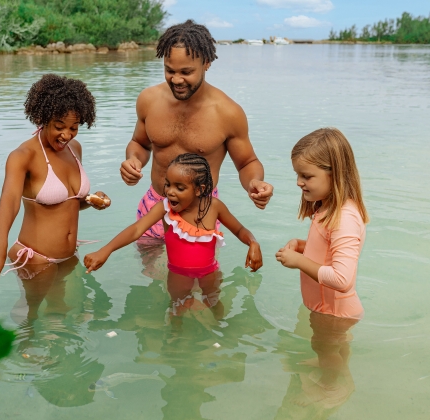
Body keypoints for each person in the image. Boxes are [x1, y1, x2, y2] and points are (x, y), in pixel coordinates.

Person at [119, 20, 273, 240]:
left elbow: (247, 162)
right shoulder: (148, 100)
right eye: (169, 70)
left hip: (201, 211)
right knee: (150, 271)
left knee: (199, 272)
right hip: (155, 204)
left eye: (186, 72)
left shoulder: (228, 112)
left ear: (207, 63)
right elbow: (140, 143)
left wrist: (254, 183)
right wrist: (133, 160)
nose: (177, 79)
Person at [0, 74, 110, 291]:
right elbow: (10, 200)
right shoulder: (23, 156)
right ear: (42, 118)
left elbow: (70, 203)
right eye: (59, 126)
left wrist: (91, 201)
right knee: (33, 321)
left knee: (71, 318)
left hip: (69, 256)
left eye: (74, 127)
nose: (66, 135)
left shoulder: (75, 149)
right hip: (37, 259)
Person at [84, 153, 263, 278]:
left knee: (215, 312)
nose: (170, 192)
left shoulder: (214, 207)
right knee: (176, 314)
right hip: (177, 276)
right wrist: (105, 250)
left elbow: (239, 229)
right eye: (168, 184)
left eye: (180, 187)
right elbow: (136, 229)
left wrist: (253, 243)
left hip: (210, 274)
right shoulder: (165, 208)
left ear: (199, 190)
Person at [275, 128, 369, 319]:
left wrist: (299, 262)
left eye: (306, 176)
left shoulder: (344, 217)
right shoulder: (328, 208)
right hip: (328, 312)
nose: (298, 182)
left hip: (334, 316)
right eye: (297, 175)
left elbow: (342, 280)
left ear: (334, 175)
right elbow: (327, 250)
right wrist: (302, 247)